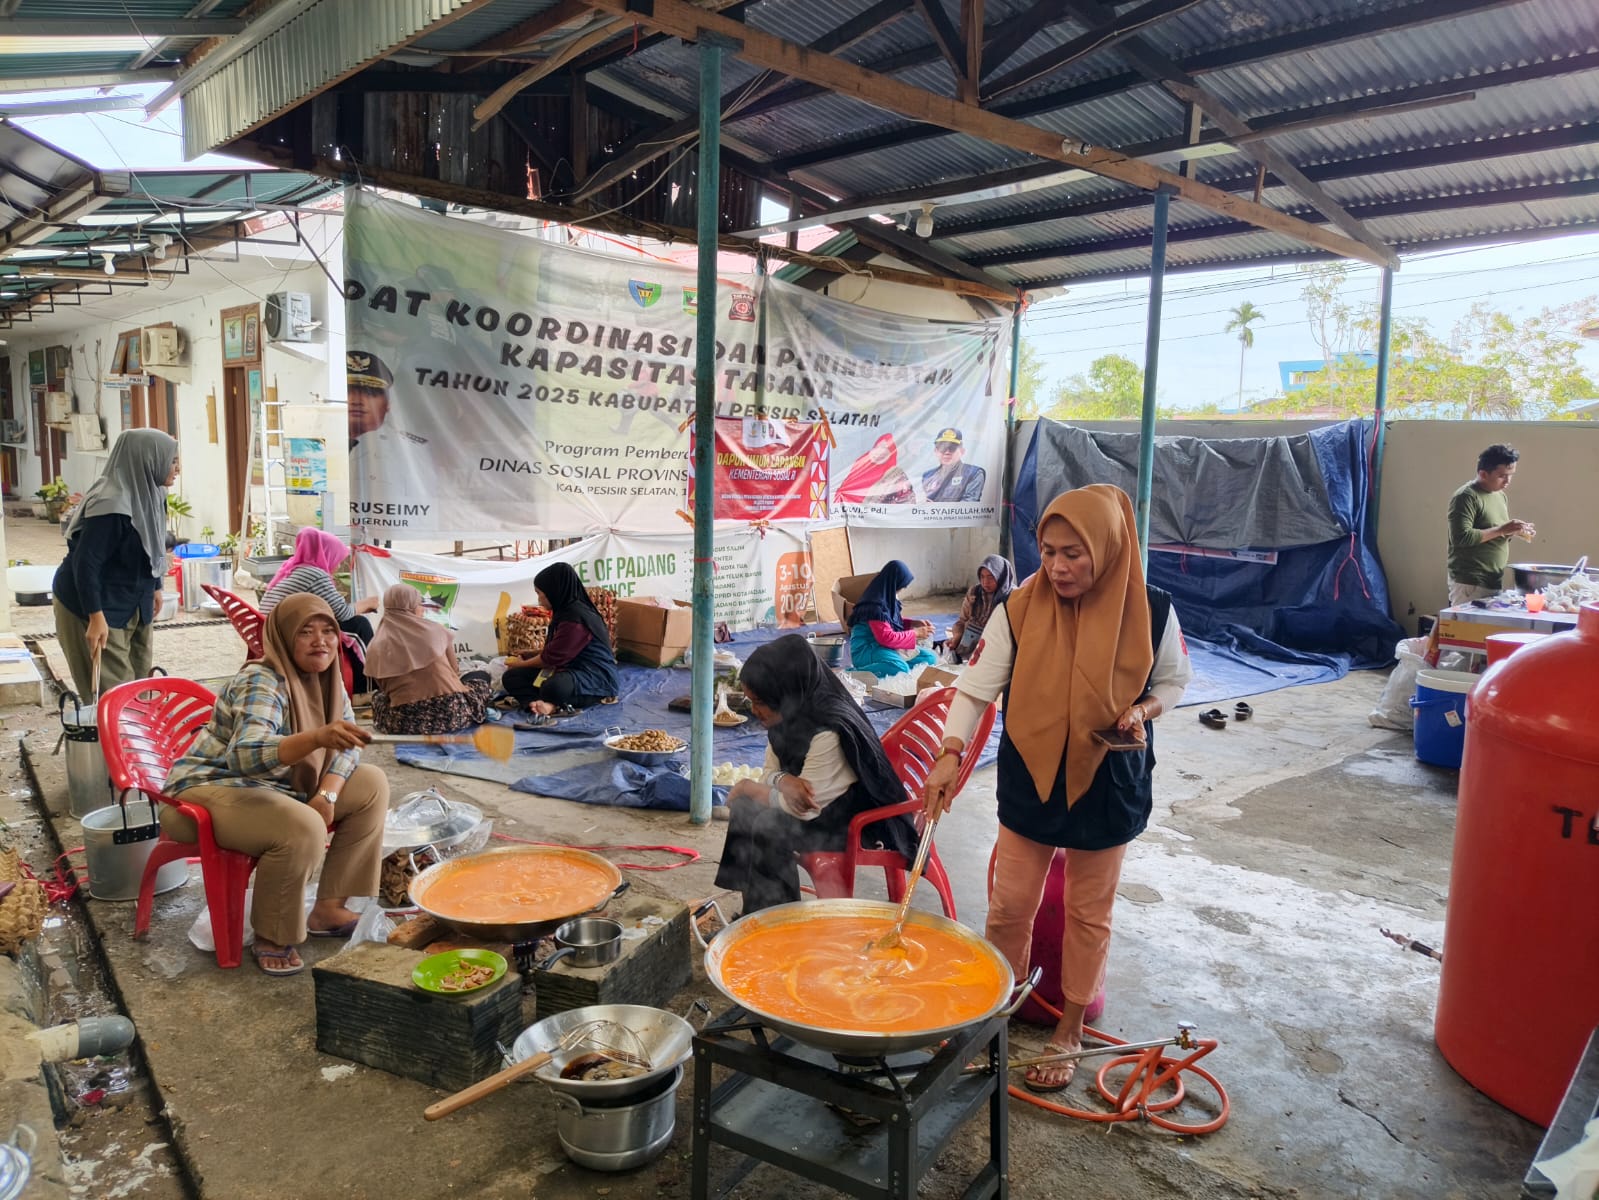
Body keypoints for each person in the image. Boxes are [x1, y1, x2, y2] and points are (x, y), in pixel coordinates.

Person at [922, 485, 1192, 1093]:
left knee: (1088, 913)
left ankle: (1069, 1030)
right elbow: (974, 688)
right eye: (1047, 552)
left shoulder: (1151, 609)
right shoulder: (1018, 608)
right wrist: (948, 754)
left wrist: (1143, 709)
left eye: (1074, 553)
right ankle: (993, 1013)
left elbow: (1174, 681)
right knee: (1009, 907)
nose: (1058, 567)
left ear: (1109, 547)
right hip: (1033, 775)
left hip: (1108, 778)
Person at [163, 595, 389, 977]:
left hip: (274, 787)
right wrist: (316, 738)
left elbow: (348, 749)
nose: (320, 641)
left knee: (371, 783)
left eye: (328, 631)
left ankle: (328, 909)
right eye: (305, 632)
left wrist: (328, 794)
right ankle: (272, 935)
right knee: (302, 825)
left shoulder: (330, 680)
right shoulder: (262, 679)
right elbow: (245, 756)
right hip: (206, 791)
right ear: (283, 637)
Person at [714, 635, 916, 914]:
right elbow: (770, 773)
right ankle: (755, 911)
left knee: (768, 825)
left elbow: (801, 809)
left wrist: (749, 786)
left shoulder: (830, 730)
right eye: (751, 701)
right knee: (745, 807)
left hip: (859, 821)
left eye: (759, 701)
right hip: (822, 804)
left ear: (786, 694)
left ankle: (778, 921)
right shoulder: (790, 714)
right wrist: (783, 780)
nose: (754, 710)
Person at [52, 429, 179, 696]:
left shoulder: (153, 493)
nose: (177, 468)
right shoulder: (111, 503)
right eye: (172, 461)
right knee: (114, 695)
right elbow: (86, 563)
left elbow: (153, 542)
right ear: (148, 459)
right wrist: (95, 616)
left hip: (133, 600)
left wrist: (156, 586)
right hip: (91, 604)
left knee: (139, 690)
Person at [261, 527, 377, 690]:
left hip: (273, 628)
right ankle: (367, 687)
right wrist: (369, 603)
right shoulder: (315, 574)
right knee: (359, 625)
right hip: (286, 634)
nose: (338, 565)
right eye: (337, 559)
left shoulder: (293, 568)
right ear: (325, 554)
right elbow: (343, 613)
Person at [365, 584, 492, 734]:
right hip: (451, 715)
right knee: (481, 677)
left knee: (378, 697)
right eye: (420, 604)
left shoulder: (375, 644)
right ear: (410, 607)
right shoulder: (436, 631)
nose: (423, 609)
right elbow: (454, 671)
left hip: (403, 722)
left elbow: (383, 687)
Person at [501, 563, 619, 721]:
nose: (539, 599)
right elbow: (560, 649)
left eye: (540, 593)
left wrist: (519, 664)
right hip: (566, 669)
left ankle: (553, 705)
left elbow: (550, 659)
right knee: (511, 677)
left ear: (554, 591)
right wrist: (531, 654)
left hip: (593, 675)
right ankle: (539, 705)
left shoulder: (576, 619)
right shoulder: (564, 612)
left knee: (554, 687)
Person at [1447, 444, 1534, 606]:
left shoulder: (1500, 495)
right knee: (1466, 622)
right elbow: (1461, 538)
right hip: (1471, 582)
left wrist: (1514, 531)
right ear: (1483, 474)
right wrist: (1502, 529)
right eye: (1502, 476)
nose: (1507, 481)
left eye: (1511, 475)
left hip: (1492, 579)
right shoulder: (1466, 496)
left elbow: (1493, 533)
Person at [846, 560, 938, 678]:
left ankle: (888, 666)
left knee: (929, 658)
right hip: (867, 649)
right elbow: (886, 638)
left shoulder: (887, 597)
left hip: (884, 647)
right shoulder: (875, 606)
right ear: (894, 582)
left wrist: (913, 623)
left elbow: (890, 622)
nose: (903, 588)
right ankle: (851, 674)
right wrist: (915, 633)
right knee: (899, 669)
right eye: (902, 585)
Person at [948, 555, 1016, 663]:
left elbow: (1015, 633)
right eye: (982, 577)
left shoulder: (1013, 596)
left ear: (1001, 576)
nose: (985, 582)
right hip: (969, 646)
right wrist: (957, 637)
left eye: (990, 577)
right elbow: (962, 621)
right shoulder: (974, 592)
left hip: (997, 650)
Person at [835, 433, 915, 505]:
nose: (880, 451)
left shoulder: (896, 475)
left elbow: (907, 503)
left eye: (886, 448)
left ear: (892, 453)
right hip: (849, 514)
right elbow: (842, 493)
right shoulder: (860, 465)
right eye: (877, 447)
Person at [921, 428, 987, 503]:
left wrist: (936, 508)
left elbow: (969, 505)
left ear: (962, 451)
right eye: (942, 448)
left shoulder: (974, 473)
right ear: (936, 451)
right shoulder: (928, 476)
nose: (947, 452)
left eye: (952, 448)